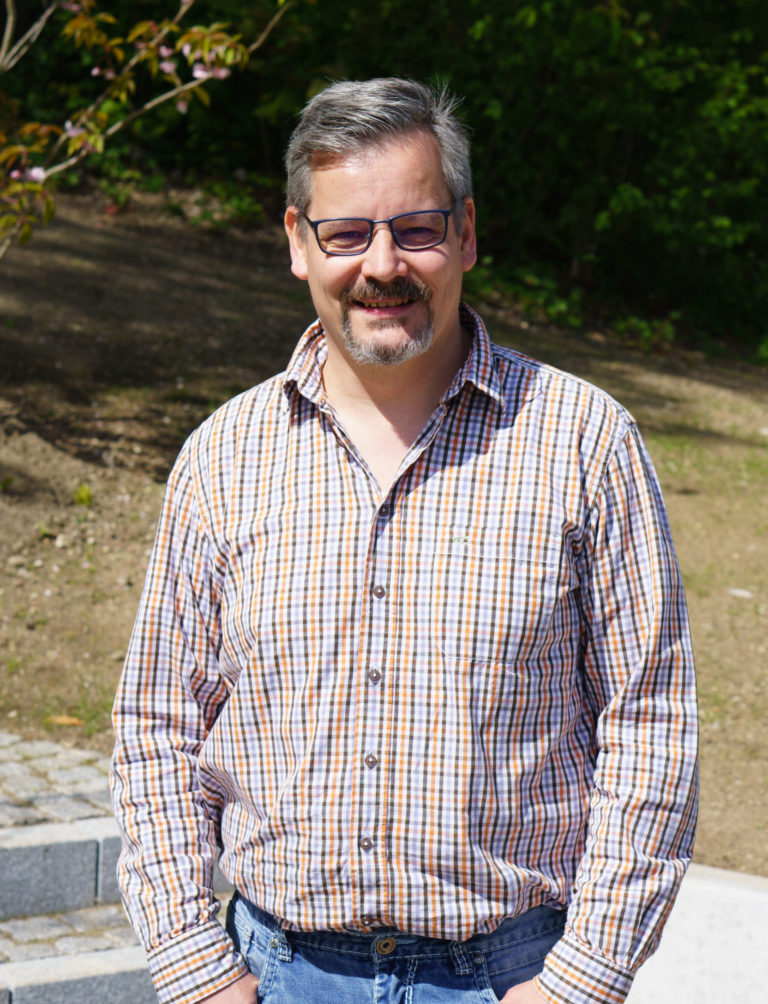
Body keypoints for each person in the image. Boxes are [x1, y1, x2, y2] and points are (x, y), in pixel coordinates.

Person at [111, 78, 698, 1004]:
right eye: (346, 233)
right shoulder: (223, 457)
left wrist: (583, 978)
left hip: (512, 975)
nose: (382, 264)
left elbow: (651, 721)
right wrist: (196, 967)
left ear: (466, 233)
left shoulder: (586, 442)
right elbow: (158, 725)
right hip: (277, 974)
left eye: (417, 228)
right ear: (298, 242)